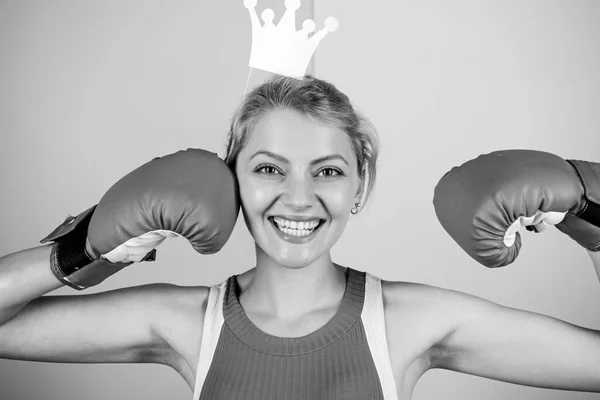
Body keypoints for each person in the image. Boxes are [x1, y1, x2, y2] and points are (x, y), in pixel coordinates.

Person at [0, 75, 599, 400]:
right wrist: (83, 249)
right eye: (268, 168)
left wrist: (591, 213)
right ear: (230, 182)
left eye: (329, 171)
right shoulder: (186, 322)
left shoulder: (409, 321)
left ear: (359, 189)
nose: (298, 196)